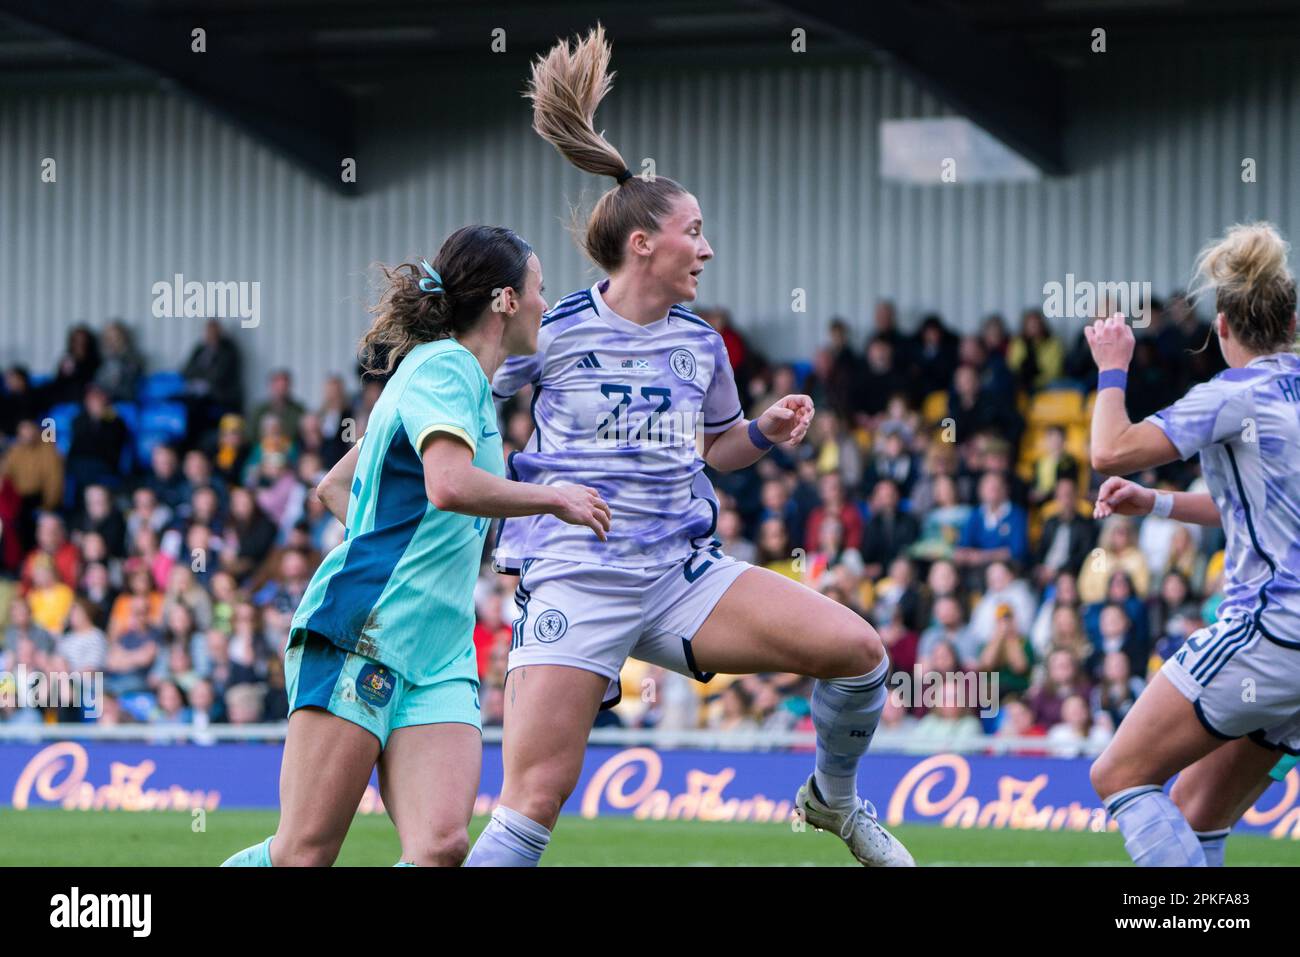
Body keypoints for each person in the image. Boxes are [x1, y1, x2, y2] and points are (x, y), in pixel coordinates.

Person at [466, 27, 911, 869]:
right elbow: (464, 403)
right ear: (645, 244)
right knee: (530, 806)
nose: (706, 248)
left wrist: (762, 436)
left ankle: (834, 799)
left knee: (860, 654)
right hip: (578, 574)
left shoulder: (701, 345)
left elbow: (716, 450)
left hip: (680, 574)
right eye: (694, 232)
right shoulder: (550, 331)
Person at [220, 225, 609, 868]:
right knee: (303, 855)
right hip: (367, 629)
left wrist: (393, 537)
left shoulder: (452, 380)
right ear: (506, 300)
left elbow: (334, 485)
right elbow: (450, 485)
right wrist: (555, 498)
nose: (548, 302)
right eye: (541, 289)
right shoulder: (446, 366)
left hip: (441, 648)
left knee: (441, 848)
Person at [1086, 221, 1300, 867]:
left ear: (1225, 327)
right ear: (1291, 323)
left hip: (1271, 629)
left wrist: (1112, 367)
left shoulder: (1233, 394)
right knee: (1198, 812)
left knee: (1118, 772)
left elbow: (1109, 449)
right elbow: (1255, 510)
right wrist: (1155, 501)